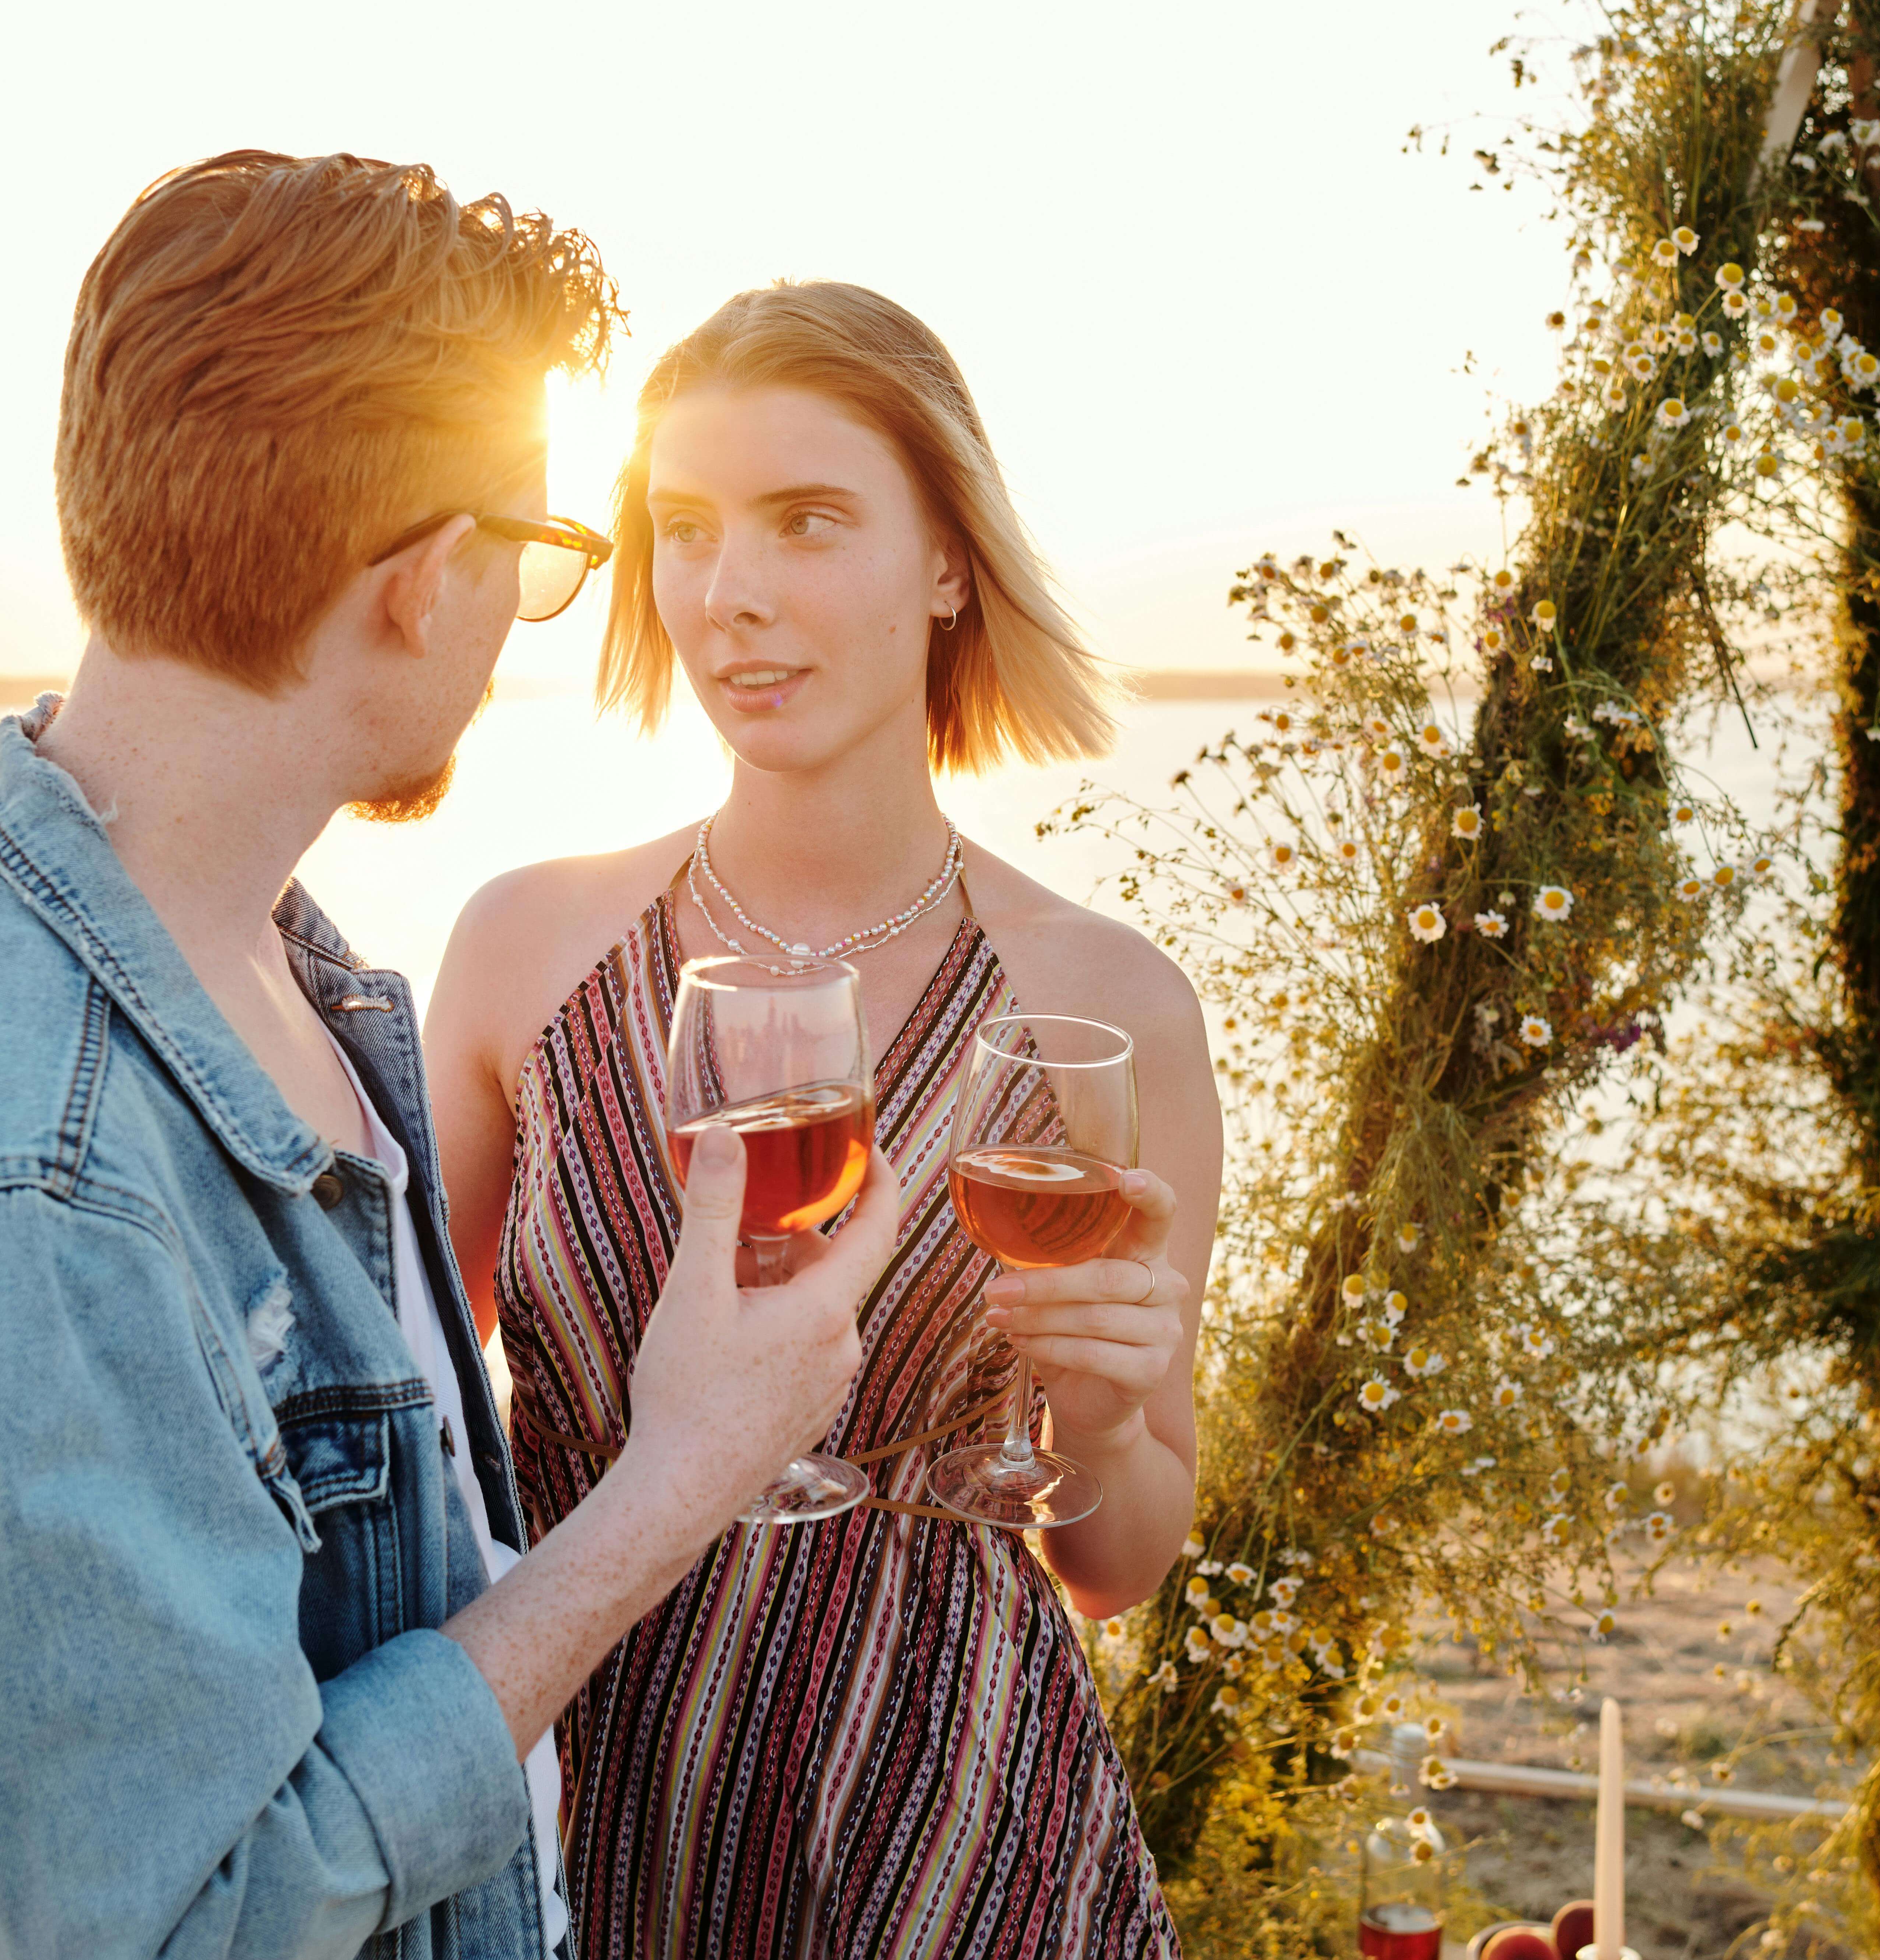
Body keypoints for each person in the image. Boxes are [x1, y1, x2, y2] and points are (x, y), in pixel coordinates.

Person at [0, 152, 895, 1960]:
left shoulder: (269, 970)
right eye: (548, 563)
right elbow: (187, 1921)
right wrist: (680, 1472)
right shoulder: (30, 1170)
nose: (517, 631)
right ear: (429, 580)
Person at [424, 283, 1222, 1958]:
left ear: (946, 562)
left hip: (956, 1830)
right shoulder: (523, 947)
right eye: (686, 530)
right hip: (592, 1791)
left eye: (808, 524)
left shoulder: (1107, 1000)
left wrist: (1095, 1396)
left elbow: (1117, 1556)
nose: (732, 594)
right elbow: (409, 1426)